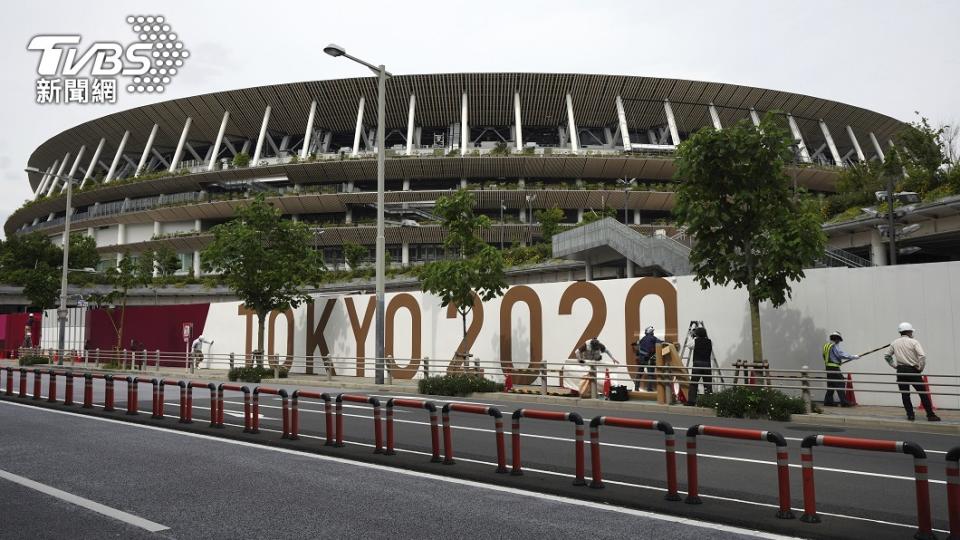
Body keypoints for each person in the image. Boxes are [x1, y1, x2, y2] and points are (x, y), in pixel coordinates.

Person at [886, 322, 940, 421]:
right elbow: (922, 356)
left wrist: (894, 366)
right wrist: (920, 368)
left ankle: (910, 415)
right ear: (909, 331)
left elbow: (887, 356)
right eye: (911, 331)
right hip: (913, 370)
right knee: (922, 393)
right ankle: (930, 415)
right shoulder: (914, 342)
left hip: (901, 371)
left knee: (905, 394)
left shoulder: (894, 343)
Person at [822, 331, 857, 407]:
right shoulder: (834, 346)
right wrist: (853, 356)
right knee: (840, 383)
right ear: (836, 338)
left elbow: (825, 356)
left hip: (828, 368)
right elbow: (840, 354)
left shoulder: (826, 346)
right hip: (834, 368)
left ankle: (828, 402)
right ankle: (844, 402)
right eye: (839, 339)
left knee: (831, 385)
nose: (839, 341)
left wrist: (837, 362)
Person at [685, 326, 713, 406]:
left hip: (697, 363)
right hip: (707, 364)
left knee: (694, 383)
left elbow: (688, 345)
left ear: (697, 334)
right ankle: (709, 401)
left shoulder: (695, 341)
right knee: (708, 383)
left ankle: (691, 401)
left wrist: (693, 337)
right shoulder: (709, 341)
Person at [632, 326, 662, 391]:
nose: (653, 333)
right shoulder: (653, 338)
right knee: (650, 374)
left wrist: (634, 343)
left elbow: (637, 343)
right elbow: (660, 342)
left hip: (641, 358)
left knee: (639, 374)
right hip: (649, 359)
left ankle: (636, 388)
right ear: (651, 332)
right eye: (653, 331)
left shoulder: (643, 338)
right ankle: (649, 388)